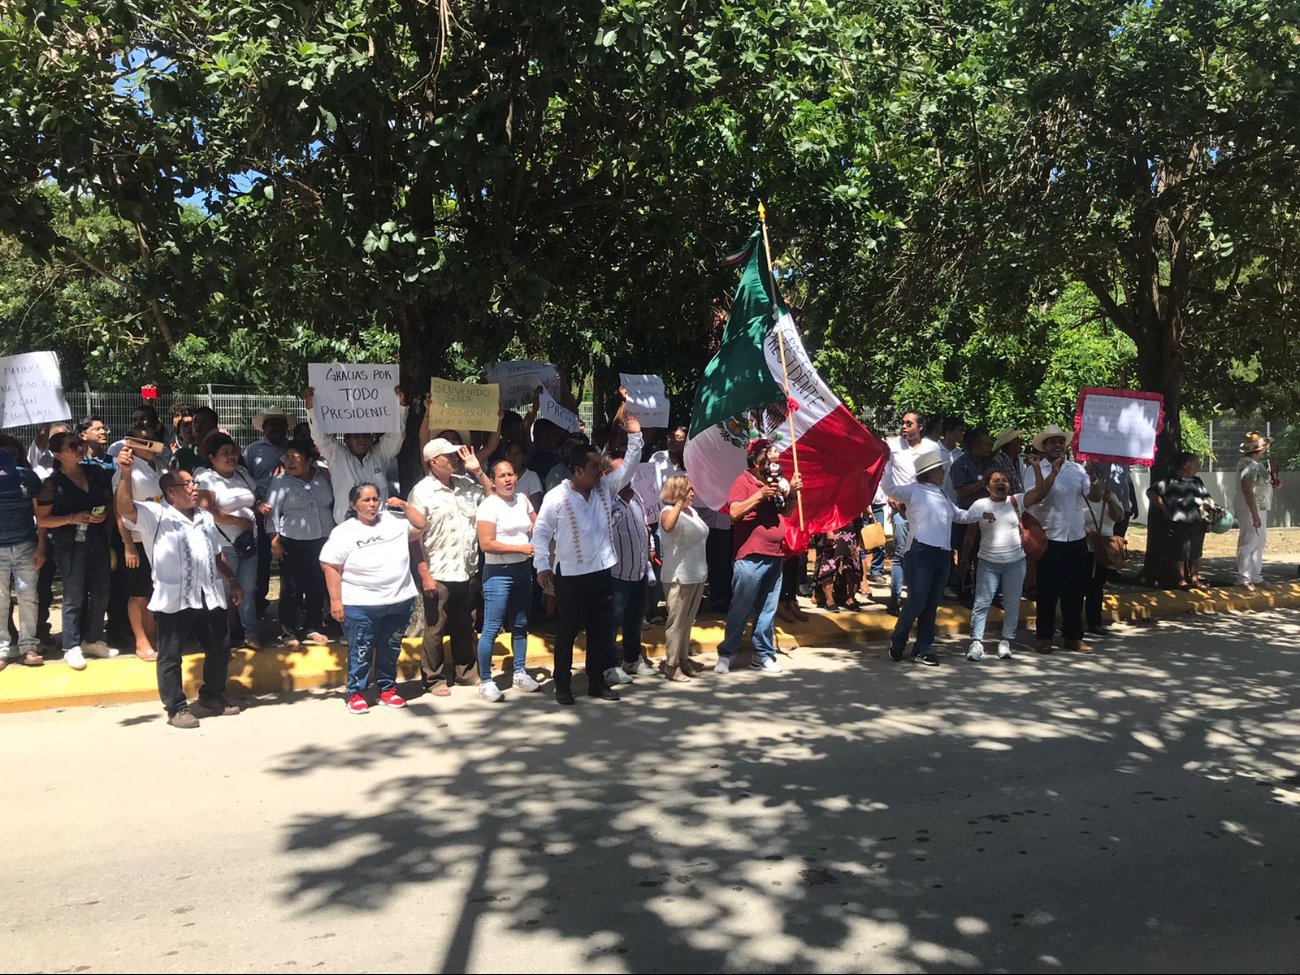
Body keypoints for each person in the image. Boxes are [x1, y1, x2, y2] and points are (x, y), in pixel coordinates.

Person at [114, 448, 244, 729]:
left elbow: (215, 553)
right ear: (171, 493)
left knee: (220, 649)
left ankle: (212, 695)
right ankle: (175, 707)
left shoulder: (205, 516)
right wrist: (125, 475)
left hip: (209, 594)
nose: (194, 488)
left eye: (194, 483)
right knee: (171, 655)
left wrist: (232, 580)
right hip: (175, 598)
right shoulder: (156, 514)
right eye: (187, 484)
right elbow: (125, 508)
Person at [532, 401, 644, 705]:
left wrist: (635, 436)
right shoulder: (556, 497)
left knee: (599, 630)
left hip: (601, 571)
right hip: (569, 575)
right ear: (578, 470)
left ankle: (596, 682)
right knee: (567, 632)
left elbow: (630, 466)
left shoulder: (603, 489)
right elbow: (541, 533)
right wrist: (542, 565)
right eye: (595, 467)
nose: (602, 471)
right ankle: (563, 685)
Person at [320, 483, 426, 714]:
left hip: (398, 600)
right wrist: (336, 601)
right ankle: (356, 693)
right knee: (361, 649)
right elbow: (330, 565)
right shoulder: (344, 531)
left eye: (375, 499)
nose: (372, 504)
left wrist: (405, 506)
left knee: (391, 648)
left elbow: (420, 525)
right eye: (366, 500)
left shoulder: (395, 521)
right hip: (360, 604)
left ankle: (387, 689)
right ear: (353, 504)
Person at [883, 446, 991, 665]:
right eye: (941, 469)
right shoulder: (913, 490)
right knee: (916, 601)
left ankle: (923, 648)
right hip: (921, 551)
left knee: (931, 604)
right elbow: (889, 487)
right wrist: (885, 463)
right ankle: (898, 640)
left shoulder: (941, 494)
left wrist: (980, 515)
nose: (943, 473)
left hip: (942, 553)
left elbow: (958, 515)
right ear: (930, 473)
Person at [713, 438, 803, 676]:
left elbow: (786, 511)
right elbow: (733, 512)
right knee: (740, 608)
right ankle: (726, 653)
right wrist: (760, 495)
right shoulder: (743, 482)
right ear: (755, 461)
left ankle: (762, 655)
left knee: (767, 610)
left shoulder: (774, 482)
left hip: (775, 555)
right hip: (750, 557)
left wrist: (792, 493)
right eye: (767, 455)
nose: (773, 459)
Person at [408, 438, 491, 695]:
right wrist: (424, 574)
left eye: (455, 455)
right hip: (438, 571)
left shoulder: (468, 485)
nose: (455, 459)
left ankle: (466, 673)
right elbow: (414, 538)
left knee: (465, 624)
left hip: (466, 569)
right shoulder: (421, 492)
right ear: (434, 462)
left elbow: (494, 498)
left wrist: (478, 471)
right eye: (448, 456)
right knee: (435, 628)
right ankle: (433, 679)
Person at [36, 431, 116, 669]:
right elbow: (43, 520)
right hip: (68, 543)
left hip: (97, 539)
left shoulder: (93, 472)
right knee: (74, 595)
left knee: (102, 591)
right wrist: (71, 518)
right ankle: (71, 645)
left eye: (79, 444)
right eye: (72, 446)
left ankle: (92, 639)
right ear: (58, 454)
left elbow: (107, 500)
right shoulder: (52, 483)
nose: (79, 448)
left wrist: (101, 516)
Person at [1028, 424, 1104, 654]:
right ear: (1044, 446)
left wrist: (1095, 479)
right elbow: (1037, 496)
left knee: (1075, 589)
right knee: (1047, 590)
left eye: (1061, 441)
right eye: (1053, 442)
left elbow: (1093, 496)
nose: (1058, 445)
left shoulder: (1076, 470)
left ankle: (1072, 636)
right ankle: (1044, 636)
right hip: (1050, 535)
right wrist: (1053, 472)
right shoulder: (1034, 468)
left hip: (1076, 536)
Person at [962, 467, 1052, 660]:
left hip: (1015, 563)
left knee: (1012, 603)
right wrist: (963, 558)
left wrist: (1036, 467)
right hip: (987, 562)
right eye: (995, 480)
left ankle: (1005, 641)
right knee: (982, 603)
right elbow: (970, 533)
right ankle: (976, 643)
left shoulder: (1016, 501)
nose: (1001, 483)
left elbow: (1040, 492)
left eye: (1004, 480)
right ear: (987, 486)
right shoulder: (979, 505)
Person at [474, 458, 540, 701]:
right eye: (502, 476)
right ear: (493, 480)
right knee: (491, 627)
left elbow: (536, 523)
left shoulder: (522, 499)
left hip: (524, 571)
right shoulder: (488, 506)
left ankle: (520, 672)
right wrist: (521, 548)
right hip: (498, 574)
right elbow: (486, 544)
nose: (508, 479)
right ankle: (487, 681)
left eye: (511, 474)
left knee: (521, 624)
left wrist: (537, 532)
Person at [304, 386, 408, 525]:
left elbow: (395, 437)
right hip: (347, 528)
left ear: (371, 439)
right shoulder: (337, 455)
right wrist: (311, 408)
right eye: (356, 436)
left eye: (365, 436)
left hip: (379, 527)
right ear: (347, 440)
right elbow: (320, 437)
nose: (361, 439)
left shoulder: (380, 454)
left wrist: (400, 406)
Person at [195, 434, 262, 648]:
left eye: (233, 452)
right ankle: (219, 638)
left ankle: (250, 633)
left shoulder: (242, 473)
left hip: (249, 542)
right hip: (223, 544)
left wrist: (260, 507)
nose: (232, 457)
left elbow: (255, 497)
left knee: (249, 589)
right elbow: (206, 510)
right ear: (212, 457)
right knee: (223, 591)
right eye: (225, 453)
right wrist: (236, 521)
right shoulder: (206, 478)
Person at [267, 439, 335, 649]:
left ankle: (313, 626)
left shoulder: (323, 476)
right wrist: (274, 540)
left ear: (309, 460)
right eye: (287, 457)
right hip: (292, 541)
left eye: (295, 457)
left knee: (317, 586)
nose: (289, 462)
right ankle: (288, 632)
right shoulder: (281, 481)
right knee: (291, 590)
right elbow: (271, 513)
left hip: (322, 541)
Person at [111, 427, 165, 661]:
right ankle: (140, 641)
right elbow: (118, 511)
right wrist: (128, 545)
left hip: (160, 540)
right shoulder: (126, 471)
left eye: (152, 439)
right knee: (138, 594)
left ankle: (153, 638)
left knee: (155, 592)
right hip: (137, 540)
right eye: (144, 441)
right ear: (131, 444)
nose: (150, 444)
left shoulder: (161, 465)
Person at [608, 452, 658, 680]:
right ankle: (609, 665)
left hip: (638, 569)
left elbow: (645, 524)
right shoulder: (605, 499)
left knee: (635, 618)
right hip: (617, 573)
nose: (627, 476)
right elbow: (605, 527)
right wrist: (622, 502)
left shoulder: (635, 493)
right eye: (621, 472)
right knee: (612, 621)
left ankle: (631, 659)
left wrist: (650, 545)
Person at [884, 411, 940, 614]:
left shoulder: (932, 447)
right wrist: (889, 494)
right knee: (900, 554)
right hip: (901, 509)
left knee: (922, 554)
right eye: (902, 423)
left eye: (909, 423)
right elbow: (885, 468)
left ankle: (917, 598)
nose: (904, 427)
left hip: (926, 510)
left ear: (920, 427)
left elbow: (937, 475)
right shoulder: (892, 445)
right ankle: (895, 598)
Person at [0, 436, 46, 669]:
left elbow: (41, 515)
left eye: (14, 453)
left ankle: (29, 646)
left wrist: (41, 546)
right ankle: (3, 649)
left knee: (28, 597)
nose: (10, 458)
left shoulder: (28, 478)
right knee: (0, 600)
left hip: (26, 546)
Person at [658, 473, 708, 681]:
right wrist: (679, 503)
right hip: (679, 576)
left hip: (696, 574)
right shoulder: (668, 511)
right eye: (689, 490)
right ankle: (671, 665)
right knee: (676, 623)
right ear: (678, 492)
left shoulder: (692, 512)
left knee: (687, 622)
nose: (693, 494)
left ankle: (683, 658)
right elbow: (668, 526)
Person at [246, 407, 292, 617]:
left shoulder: (292, 449)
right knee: (262, 561)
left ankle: (291, 607)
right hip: (261, 512)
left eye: (279, 425)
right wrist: (257, 503)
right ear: (264, 428)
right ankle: (259, 605)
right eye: (271, 425)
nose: (276, 428)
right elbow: (245, 480)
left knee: (290, 563)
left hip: (291, 513)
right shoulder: (253, 451)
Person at [1150, 452, 1213, 590]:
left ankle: (1195, 578)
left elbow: (1206, 497)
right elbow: (1151, 492)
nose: (1197, 466)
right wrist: (1164, 507)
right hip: (1178, 521)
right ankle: (1181, 579)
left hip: (1197, 520)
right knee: (1179, 551)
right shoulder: (1169, 481)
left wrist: (1209, 505)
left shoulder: (1197, 481)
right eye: (1194, 463)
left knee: (1197, 550)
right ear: (1184, 464)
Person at [950, 427, 995, 603]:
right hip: (967, 517)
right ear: (976, 445)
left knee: (984, 556)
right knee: (967, 555)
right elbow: (961, 492)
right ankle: (965, 593)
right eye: (986, 444)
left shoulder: (988, 463)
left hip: (988, 517)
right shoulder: (961, 464)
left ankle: (986, 593)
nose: (990, 448)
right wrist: (982, 482)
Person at [1083, 465, 1128, 632]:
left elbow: (1119, 516)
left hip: (1104, 548)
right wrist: (1091, 535)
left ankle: (1095, 622)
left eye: (1094, 475)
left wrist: (1109, 500)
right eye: (1088, 475)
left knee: (1097, 586)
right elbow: (1073, 520)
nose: (1091, 478)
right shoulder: (1079, 497)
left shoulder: (1110, 495)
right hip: (1084, 546)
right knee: (1079, 585)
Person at [1234, 431, 1280, 592]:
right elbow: (1247, 490)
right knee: (1249, 541)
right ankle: (1244, 577)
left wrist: (1274, 482)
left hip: (1259, 507)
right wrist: (1254, 514)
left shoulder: (1255, 464)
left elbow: (1261, 486)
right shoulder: (1248, 464)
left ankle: (1255, 576)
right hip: (1251, 507)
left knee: (1258, 542)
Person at [814, 519, 864, 612]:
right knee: (829, 564)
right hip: (833, 525)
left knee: (853, 564)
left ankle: (851, 598)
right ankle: (829, 600)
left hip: (853, 526)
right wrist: (828, 529)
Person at [171, 406, 218, 474]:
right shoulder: (182, 454)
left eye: (204, 422)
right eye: (195, 422)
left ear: (214, 425)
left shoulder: (223, 451)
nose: (198, 426)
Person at [991, 428, 1027, 494]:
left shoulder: (1019, 460)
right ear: (1011, 446)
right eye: (1018, 442)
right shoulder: (998, 461)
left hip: (1020, 499)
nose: (1021, 445)